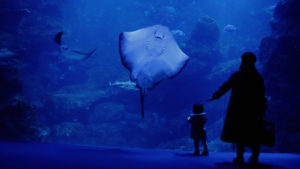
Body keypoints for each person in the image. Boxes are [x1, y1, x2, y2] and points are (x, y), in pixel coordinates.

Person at [207, 52, 267, 165]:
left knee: (239, 131)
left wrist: (215, 95)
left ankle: (240, 156)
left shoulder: (238, 74)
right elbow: (262, 94)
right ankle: (254, 156)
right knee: (254, 132)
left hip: (239, 109)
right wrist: (262, 108)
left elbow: (226, 85)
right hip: (254, 110)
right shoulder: (258, 77)